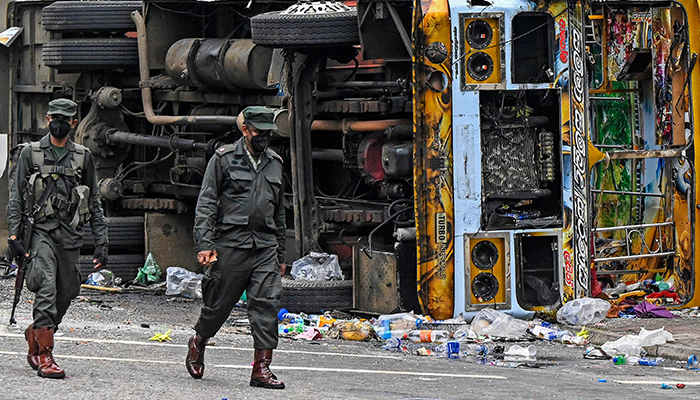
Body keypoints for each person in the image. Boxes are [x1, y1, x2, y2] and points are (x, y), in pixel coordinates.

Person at [7, 98, 108, 379]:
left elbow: (95, 200)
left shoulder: (82, 156)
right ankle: (44, 354)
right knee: (47, 287)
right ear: (48, 119)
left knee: (67, 291)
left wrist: (101, 240)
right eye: (54, 118)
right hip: (40, 232)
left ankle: (37, 333)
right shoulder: (31, 153)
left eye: (65, 119)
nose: (58, 123)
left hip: (70, 234)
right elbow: (16, 197)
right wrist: (13, 235)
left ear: (74, 123)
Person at [187, 106, 286, 389]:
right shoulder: (224, 159)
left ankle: (261, 368)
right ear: (245, 130)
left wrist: (281, 253)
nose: (264, 138)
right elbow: (206, 203)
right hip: (231, 243)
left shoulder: (275, 163)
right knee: (218, 305)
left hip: (265, 246)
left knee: (267, 303)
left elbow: (279, 212)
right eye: (259, 132)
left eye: (268, 133)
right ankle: (199, 340)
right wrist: (204, 243)